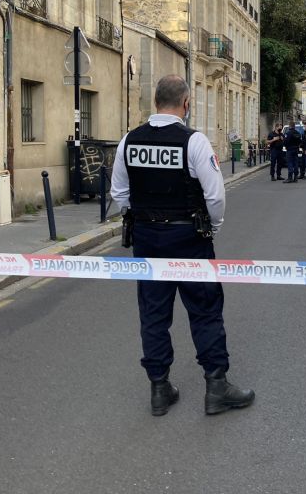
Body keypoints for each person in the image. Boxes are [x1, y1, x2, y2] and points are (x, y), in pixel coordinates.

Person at [111, 74, 255, 417]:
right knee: (204, 310)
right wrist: (211, 229)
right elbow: (215, 196)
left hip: (147, 237)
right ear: (186, 104)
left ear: (155, 101)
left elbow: (119, 194)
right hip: (189, 236)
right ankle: (217, 386)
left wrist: (142, 217)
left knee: (153, 313)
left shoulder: (129, 141)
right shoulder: (195, 142)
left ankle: (159, 388)